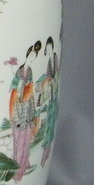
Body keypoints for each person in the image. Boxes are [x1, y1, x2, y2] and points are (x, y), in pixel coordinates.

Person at [9, 41, 40, 182]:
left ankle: (24, 163)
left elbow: (31, 90)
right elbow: (15, 93)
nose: (32, 59)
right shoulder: (19, 72)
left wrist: (30, 89)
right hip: (19, 110)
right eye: (31, 56)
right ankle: (18, 170)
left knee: (26, 139)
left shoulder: (30, 72)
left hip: (28, 109)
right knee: (19, 140)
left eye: (34, 57)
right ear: (27, 55)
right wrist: (23, 86)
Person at [37, 37, 59, 166]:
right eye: (48, 48)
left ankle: (45, 154)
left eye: (50, 48)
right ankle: (44, 153)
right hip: (49, 94)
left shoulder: (55, 59)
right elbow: (47, 77)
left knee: (50, 123)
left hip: (52, 95)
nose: (49, 50)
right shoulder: (49, 62)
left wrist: (51, 82)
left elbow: (54, 77)